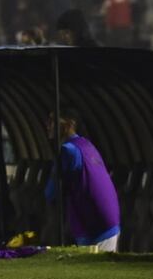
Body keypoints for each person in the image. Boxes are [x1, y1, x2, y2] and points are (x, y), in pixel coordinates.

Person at [45, 108, 121, 252]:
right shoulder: (86, 144)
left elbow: (50, 193)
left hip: (94, 225)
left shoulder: (68, 151)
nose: (47, 125)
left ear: (68, 125)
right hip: (109, 220)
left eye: (52, 121)